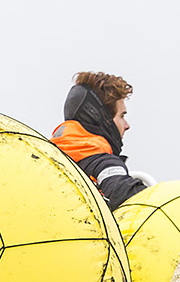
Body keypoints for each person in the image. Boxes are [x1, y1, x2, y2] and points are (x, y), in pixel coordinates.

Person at [51, 72, 146, 209]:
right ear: (103, 119)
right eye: (122, 116)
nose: (127, 126)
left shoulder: (43, 158)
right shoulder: (101, 164)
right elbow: (123, 194)